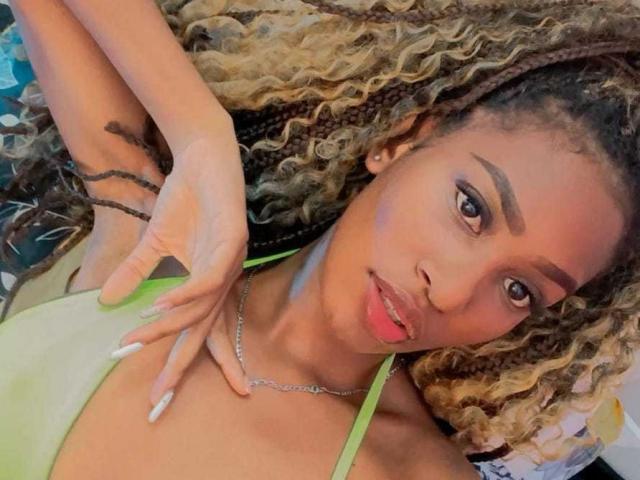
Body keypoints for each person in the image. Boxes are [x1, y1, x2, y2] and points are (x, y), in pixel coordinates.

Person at [1, 0, 640, 478]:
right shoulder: (151, 234)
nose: (449, 292)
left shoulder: (408, 471)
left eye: (519, 289)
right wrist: (197, 131)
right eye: (470, 208)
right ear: (402, 140)